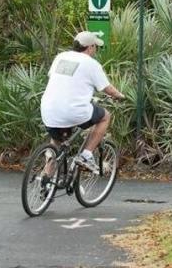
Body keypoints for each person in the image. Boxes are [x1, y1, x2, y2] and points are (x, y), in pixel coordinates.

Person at [40, 30, 125, 173]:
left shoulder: (61, 57)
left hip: (48, 110)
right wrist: (120, 96)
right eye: (95, 46)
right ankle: (86, 155)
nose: (95, 50)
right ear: (90, 47)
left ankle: (46, 180)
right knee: (105, 116)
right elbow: (107, 89)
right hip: (72, 111)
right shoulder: (91, 64)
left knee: (56, 142)